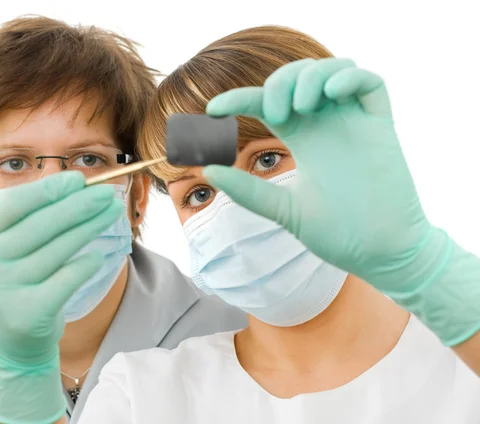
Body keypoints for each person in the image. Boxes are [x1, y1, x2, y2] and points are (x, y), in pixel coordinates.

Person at [74, 26, 480, 423]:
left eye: (266, 160)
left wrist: (423, 265)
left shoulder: (464, 362)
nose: (237, 208)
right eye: (199, 194)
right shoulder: (139, 398)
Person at [0, 16, 246, 424]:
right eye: (13, 162)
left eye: (89, 159)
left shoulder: (239, 335)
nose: (55, 189)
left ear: (138, 193)